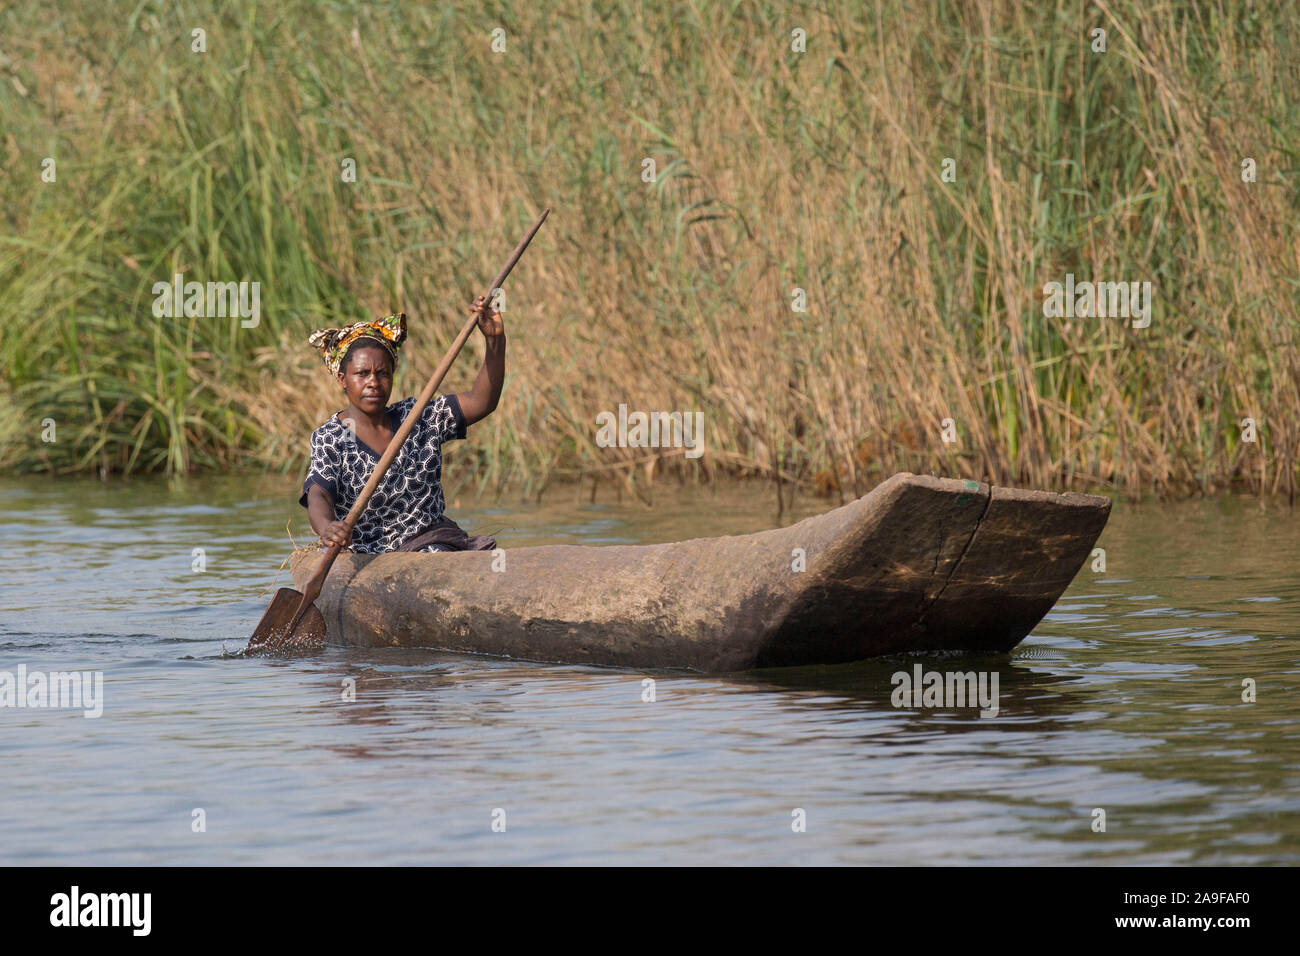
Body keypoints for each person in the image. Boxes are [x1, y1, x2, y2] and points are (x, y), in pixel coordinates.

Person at [299, 297, 502, 554]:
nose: (373, 382)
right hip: (370, 554)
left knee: (437, 553)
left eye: (382, 373)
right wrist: (327, 528)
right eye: (362, 374)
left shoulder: (417, 417)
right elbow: (319, 493)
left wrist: (495, 340)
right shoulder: (331, 437)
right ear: (343, 379)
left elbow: (482, 402)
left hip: (433, 543)